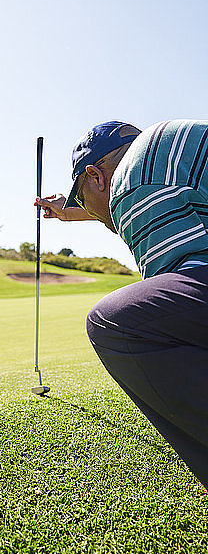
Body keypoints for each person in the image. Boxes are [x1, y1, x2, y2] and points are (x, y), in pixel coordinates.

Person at [36, 120, 208, 490]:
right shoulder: (159, 161)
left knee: (116, 322)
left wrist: (78, 209)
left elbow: (115, 207)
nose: (90, 210)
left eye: (81, 196)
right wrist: (72, 210)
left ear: (97, 176)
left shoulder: (135, 177)